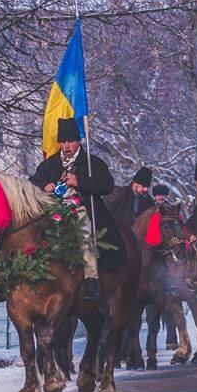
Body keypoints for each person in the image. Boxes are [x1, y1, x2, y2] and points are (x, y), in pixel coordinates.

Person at [29, 117, 123, 300]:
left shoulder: (92, 163)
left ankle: (92, 280)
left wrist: (80, 182)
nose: (66, 146)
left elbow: (108, 185)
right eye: (63, 142)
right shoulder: (50, 163)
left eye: (70, 141)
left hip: (81, 209)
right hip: (53, 210)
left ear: (78, 141)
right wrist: (44, 185)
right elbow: (33, 180)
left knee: (85, 235)